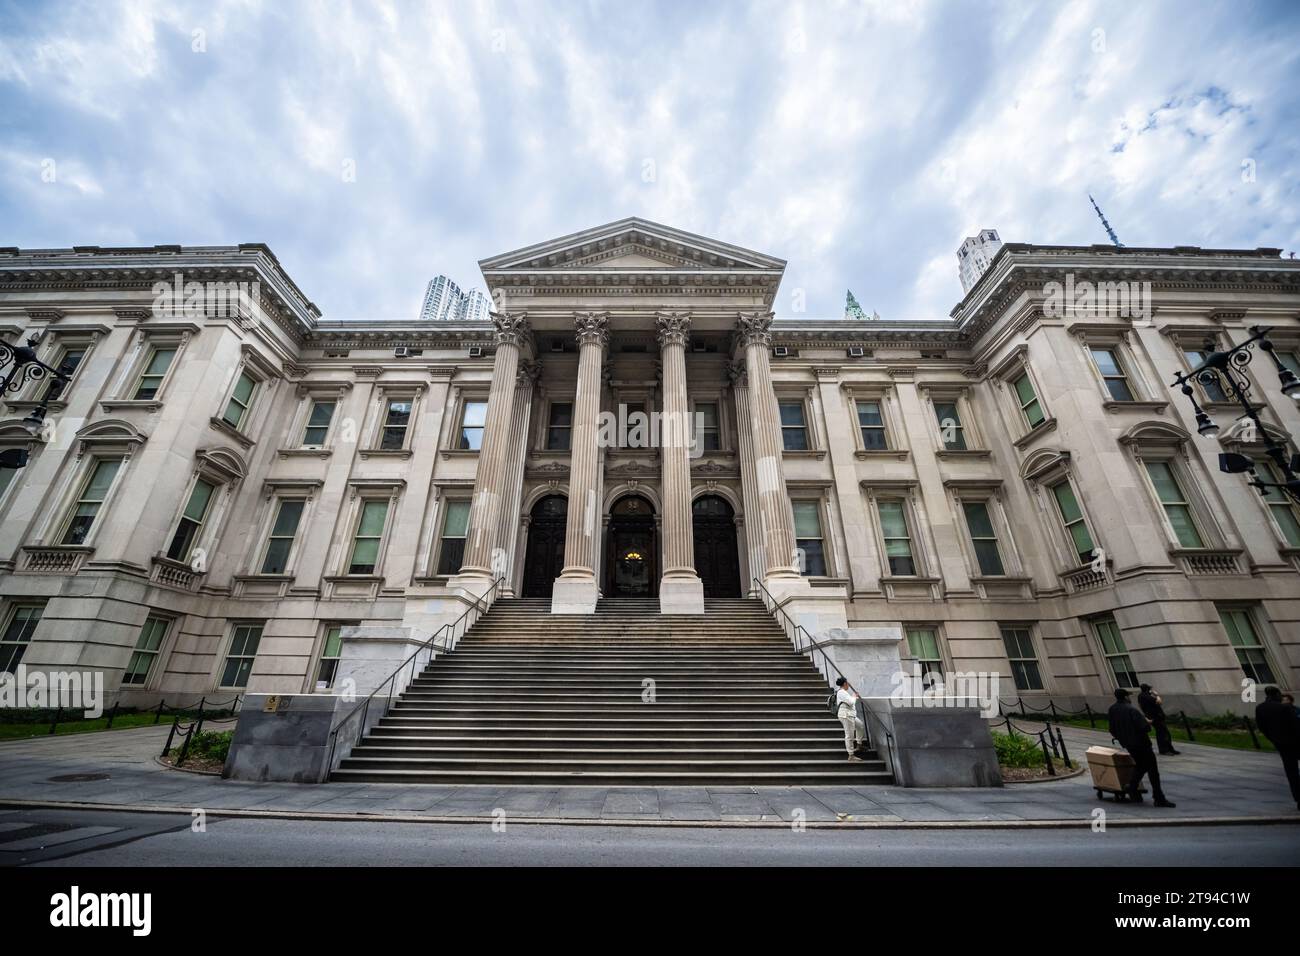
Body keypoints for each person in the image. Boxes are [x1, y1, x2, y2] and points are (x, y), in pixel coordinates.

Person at [1107, 688, 1176, 807]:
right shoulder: (1132, 710)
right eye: (1128, 696)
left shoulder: (1112, 709)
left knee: (1141, 765)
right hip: (1141, 743)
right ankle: (1157, 797)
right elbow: (1145, 728)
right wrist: (1147, 723)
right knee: (1152, 770)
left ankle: (1133, 786)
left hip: (1128, 744)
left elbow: (1112, 729)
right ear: (1125, 697)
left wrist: (1122, 737)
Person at [1254, 686, 1300, 811]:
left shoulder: (1260, 708)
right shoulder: (1285, 708)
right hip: (1295, 742)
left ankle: (1298, 797)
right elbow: (1295, 725)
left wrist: (1273, 739)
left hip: (1280, 743)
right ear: (1277, 694)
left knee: (1291, 772)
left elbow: (1262, 727)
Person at [1137, 683, 1180, 755]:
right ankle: (1164, 750)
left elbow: (1140, 705)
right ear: (1148, 689)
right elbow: (1159, 702)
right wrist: (1157, 695)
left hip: (1151, 716)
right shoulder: (1147, 696)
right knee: (1163, 733)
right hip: (1156, 717)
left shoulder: (1140, 696)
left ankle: (1169, 748)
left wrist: (1146, 714)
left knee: (1163, 733)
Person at [834, 676, 867, 762]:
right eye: (848, 683)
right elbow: (851, 702)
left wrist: (853, 696)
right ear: (845, 684)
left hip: (850, 715)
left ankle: (859, 744)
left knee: (860, 725)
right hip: (846, 715)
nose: (849, 685)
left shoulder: (843, 692)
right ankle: (851, 755)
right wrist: (854, 696)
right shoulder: (841, 692)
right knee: (849, 735)